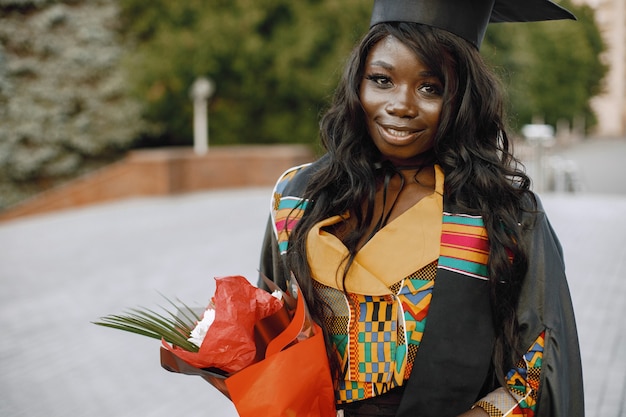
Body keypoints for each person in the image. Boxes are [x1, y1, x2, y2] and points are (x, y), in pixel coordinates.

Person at [259, 1, 584, 416]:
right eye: (381, 80)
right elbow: (270, 326)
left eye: (431, 88)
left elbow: (540, 368)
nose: (401, 105)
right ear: (357, 83)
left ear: (464, 97)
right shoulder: (299, 196)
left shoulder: (504, 215)